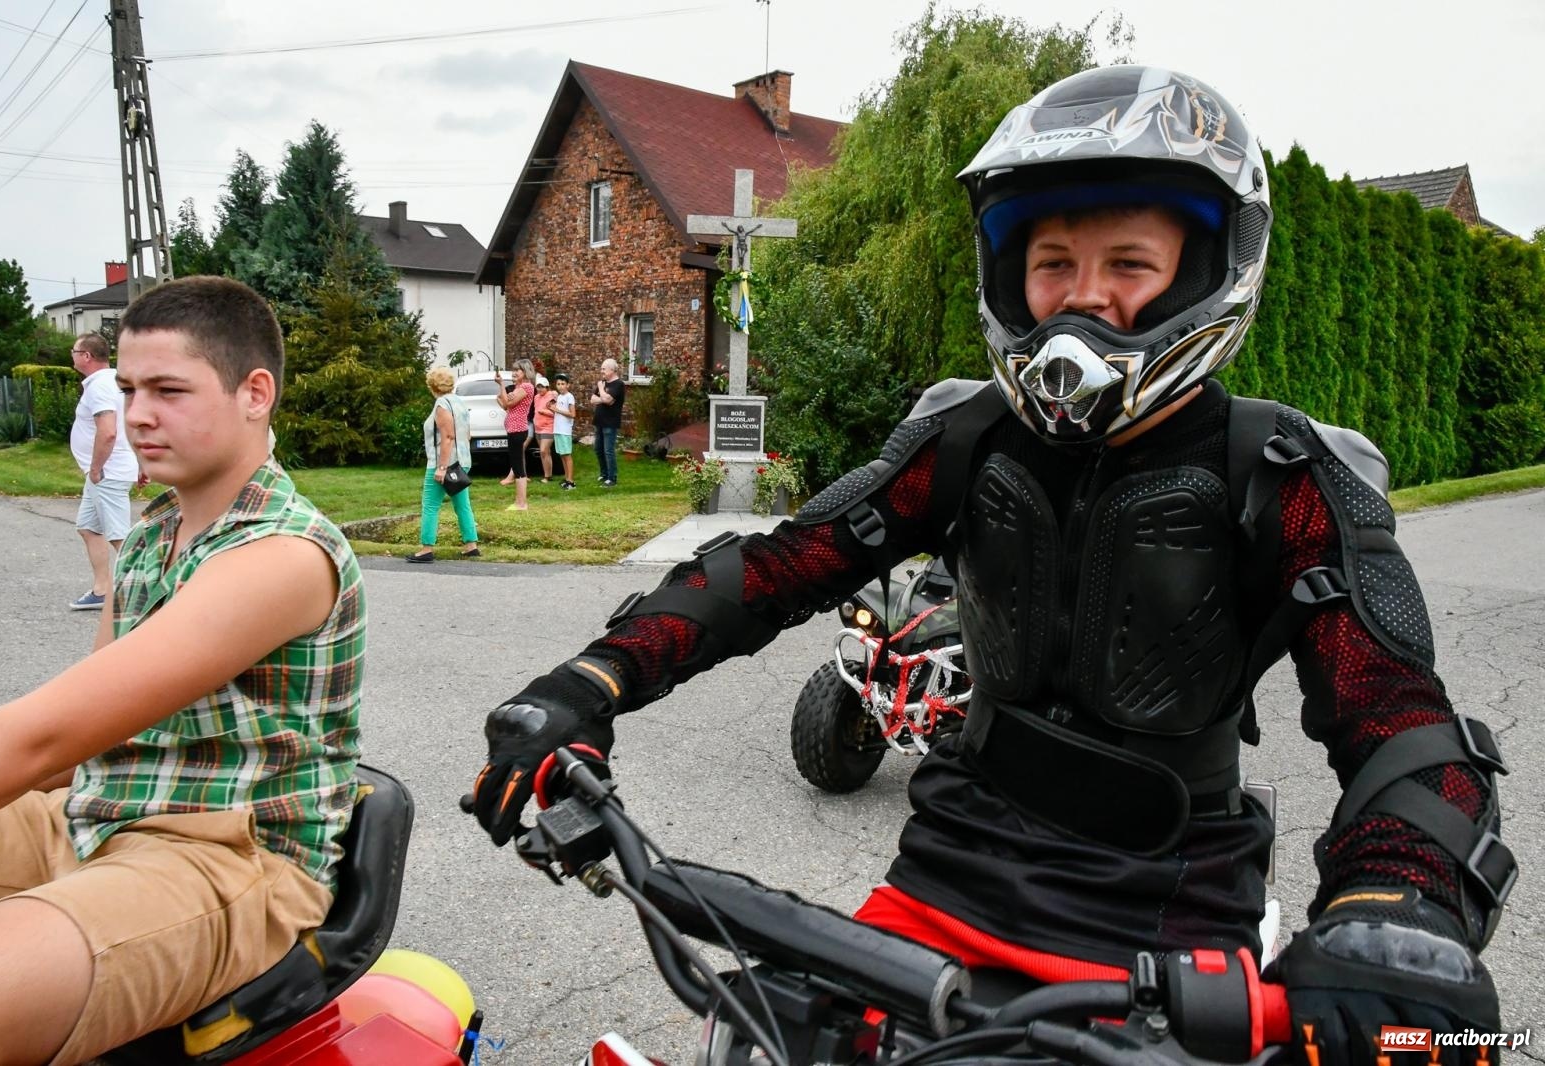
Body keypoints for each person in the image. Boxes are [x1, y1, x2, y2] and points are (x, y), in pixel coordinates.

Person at [471, 67, 1509, 1063]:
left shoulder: (1282, 471)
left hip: (1169, 927)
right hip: (938, 889)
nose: (1080, 299)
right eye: (1051, 261)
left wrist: (1396, 908)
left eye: (1129, 265)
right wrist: (587, 682)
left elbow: (1402, 719)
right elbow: (781, 567)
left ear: (1208, 272)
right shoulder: (966, 438)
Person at [0, 276, 365, 1066]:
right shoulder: (147, 540)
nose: (137, 414)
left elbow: (44, 734)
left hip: (221, 856)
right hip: (92, 816)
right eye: (130, 387)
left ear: (255, 393)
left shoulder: (282, 555)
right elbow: (78, 745)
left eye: (169, 389)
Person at [68, 332, 140, 611]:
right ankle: (102, 589)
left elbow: (108, 432)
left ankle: (146, 590)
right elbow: (129, 425)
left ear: (86, 356)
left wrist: (97, 468)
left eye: (74, 351)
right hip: (107, 470)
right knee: (88, 527)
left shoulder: (100, 387)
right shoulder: (112, 382)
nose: (72, 356)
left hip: (106, 471)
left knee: (119, 535)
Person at [407, 366, 480, 563]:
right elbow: (467, 433)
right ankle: (471, 544)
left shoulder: (442, 404)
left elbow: (447, 436)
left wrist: (441, 467)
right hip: (462, 462)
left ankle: (426, 548)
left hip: (443, 462)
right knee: (462, 504)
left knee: (430, 504)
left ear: (432, 386)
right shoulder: (459, 402)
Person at [496, 359, 535, 510]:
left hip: (518, 429)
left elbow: (508, 403)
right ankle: (519, 501)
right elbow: (505, 403)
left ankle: (521, 503)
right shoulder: (519, 387)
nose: (514, 372)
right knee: (516, 464)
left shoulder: (526, 386)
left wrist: (501, 386)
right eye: (513, 370)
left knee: (518, 467)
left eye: (518, 370)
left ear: (525, 372)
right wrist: (504, 396)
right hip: (513, 428)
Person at [589, 357, 625, 486]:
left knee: (608, 450)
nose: (601, 371)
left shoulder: (618, 384)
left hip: (610, 422)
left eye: (604, 369)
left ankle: (612, 477)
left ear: (612, 370)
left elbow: (609, 400)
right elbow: (593, 399)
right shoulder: (604, 382)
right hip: (599, 421)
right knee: (598, 449)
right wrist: (603, 398)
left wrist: (601, 389)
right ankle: (604, 474)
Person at [551, 371, 578, 490]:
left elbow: (572, 414)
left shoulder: (569, 396)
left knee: (567, 455)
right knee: (562, 455)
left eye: (563, 383)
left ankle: (571, 481)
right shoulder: (560, 397)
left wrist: (556, 410)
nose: (560, 386)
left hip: (565, 431)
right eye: (558, 384)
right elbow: (559, 412)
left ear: (568, 385)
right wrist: (552, 409)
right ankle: (566, 478)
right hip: (558, 429)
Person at [533, 376, 558, 482]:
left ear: (547, 387)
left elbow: (556, 412)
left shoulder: (552, 395)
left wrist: (544, 412)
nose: (539, 389)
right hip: (538, 427)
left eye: (542, 387)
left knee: (543, 450)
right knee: (544, 452)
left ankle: (547, 476)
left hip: (548, 427)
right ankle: (547, 475)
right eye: (538, 387)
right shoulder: (536, 397)